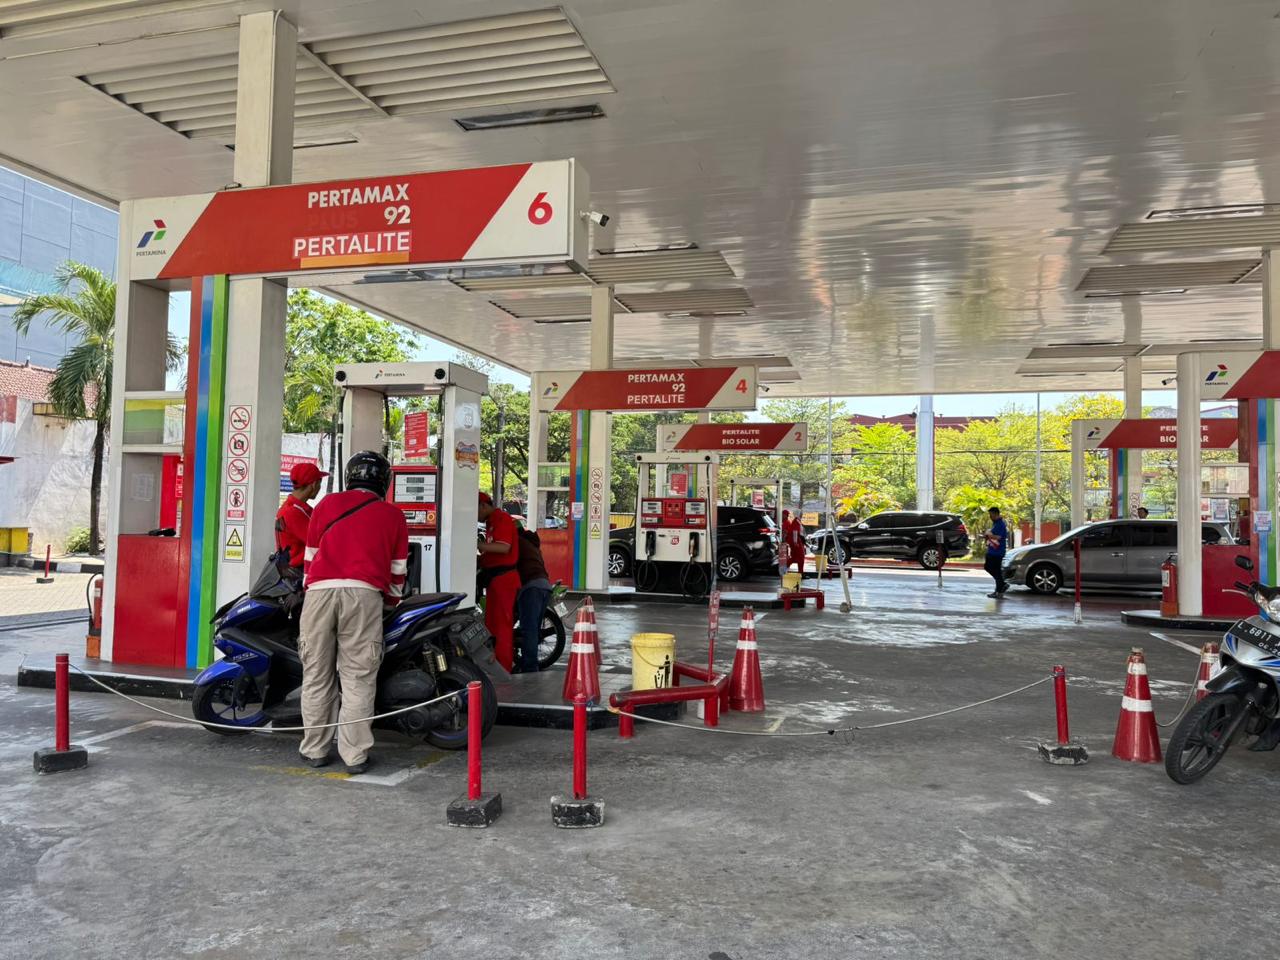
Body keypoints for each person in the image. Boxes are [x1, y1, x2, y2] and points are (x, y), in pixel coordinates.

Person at [297, 451, 407, 775]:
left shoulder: (326, 505)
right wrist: (390, 604)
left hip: (318, 593)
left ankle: (315, 749)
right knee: (358, 678)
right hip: (363, 594)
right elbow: (398, 571)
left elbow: (309, 559)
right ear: (384, 481)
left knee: (316, 674)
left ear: (349, 476)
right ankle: (354, 755)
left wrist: (314, 589)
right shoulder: (393, 515)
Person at [477, 491, 521, 672]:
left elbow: (504, 547)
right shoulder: (490, 522)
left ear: (483, 505)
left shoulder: (501, 519)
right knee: (492, 624)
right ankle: (495, 663)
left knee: (502, 624)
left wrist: (478, 545)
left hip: (504, 579)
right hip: (495, 579)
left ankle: (503, 666)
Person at [514, 523, 553, 673]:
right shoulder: (531, 544)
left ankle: (530, 667)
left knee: (528, 630)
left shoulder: (517, 542)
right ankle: (529, 662)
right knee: (533, 629)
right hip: (544, 585)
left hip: (531, 587)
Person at [274, 462, 327, 568]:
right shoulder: (293, 512)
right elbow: (321, 542)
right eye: (319, 483)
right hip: (300, 571)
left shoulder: (296, 508)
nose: (319, 487)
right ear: (314, 484)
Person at [984, 506, 1009, 599]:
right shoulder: (995, 524)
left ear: (996, 514)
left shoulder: (1000, 524)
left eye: (991, 515)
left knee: (994, 570)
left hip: (997, 552)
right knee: (990, 568)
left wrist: (989, 534)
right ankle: (1001, 586)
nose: (990, 517)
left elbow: (998, 537)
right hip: (992, 550)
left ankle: (1000, 587)